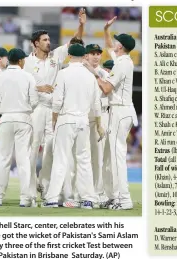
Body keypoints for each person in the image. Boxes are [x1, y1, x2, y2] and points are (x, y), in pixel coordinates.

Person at [24, 9, 85, 203]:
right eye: (44, 40)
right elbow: (22, 85)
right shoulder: (26, 62)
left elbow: (74, 44)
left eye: (49, 39)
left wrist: (81, 25)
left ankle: (44, 182)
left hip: (52, 110)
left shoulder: (55, 57)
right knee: (32, 149)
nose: (48, 42)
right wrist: (38, 87)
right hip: (34, 109)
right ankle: (30, 190)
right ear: (35, 43)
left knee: (51, 148)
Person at [42, 44, 104, 209]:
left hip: (66, 119)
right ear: (84, 56)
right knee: (84, 160)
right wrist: (98, 125)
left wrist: (54, 120)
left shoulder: (63, 73)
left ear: (69, 56)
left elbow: (57, 101)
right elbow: (96, 104)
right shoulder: (90, 76)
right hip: (83, 120)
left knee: (61, 159)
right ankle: (88, 199)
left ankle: (52, 198)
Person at [84, 22, 138, 210]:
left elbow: (106, 89)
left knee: (117, 157)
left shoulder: (122, 64)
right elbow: (108, 46)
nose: (113, 45)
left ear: (121, 47)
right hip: (123, 111)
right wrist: (106, 30)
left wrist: (92, 72)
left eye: (116, 43)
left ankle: (124, 199)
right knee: (114, 158)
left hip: (120, 110)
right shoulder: (123, 60)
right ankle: (116, 197)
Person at [0, 48, 39, 207]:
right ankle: (24, 198)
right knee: (23, 159)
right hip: (23, 118)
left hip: (6, 118)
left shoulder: (0, 77)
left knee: (2, 159)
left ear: (9, 60)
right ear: (21, 61)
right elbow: (35, 101)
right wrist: (26, 107)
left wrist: (1, 107)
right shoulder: (28, 76)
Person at [85, 44, 110, 207]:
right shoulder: (78, 71)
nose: (96, 57)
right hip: (83, 115)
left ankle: (98, 192)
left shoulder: (103, 72)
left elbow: (106, 89)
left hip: (101, 113)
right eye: (92, 53)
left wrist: (94, 73)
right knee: (81, 157)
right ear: (85, 55)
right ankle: (81, 192)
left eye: (98, 54)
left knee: (98, 156)